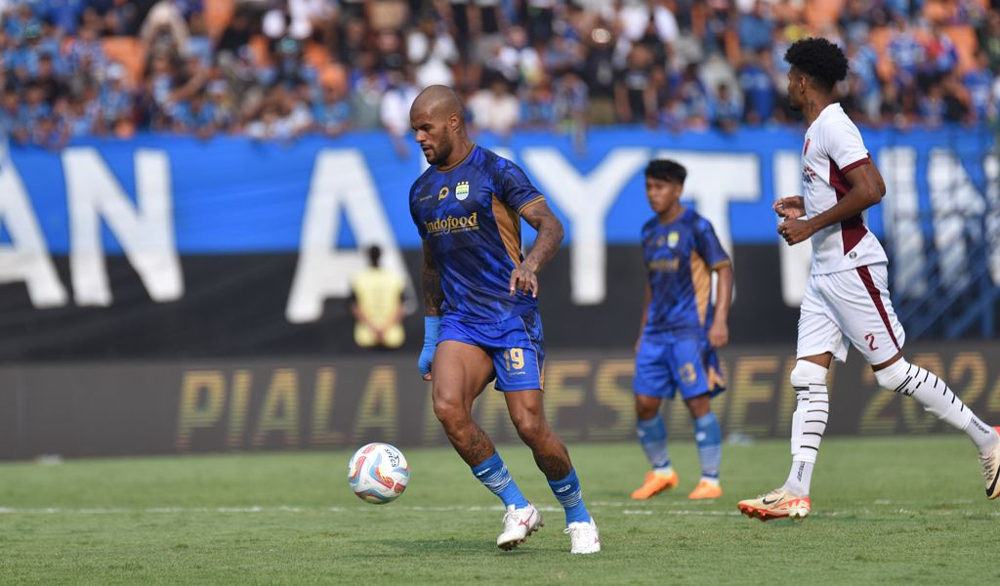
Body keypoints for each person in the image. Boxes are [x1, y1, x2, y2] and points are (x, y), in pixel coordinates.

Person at [737, 38, 1000, 521]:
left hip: (851, 265)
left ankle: (988, 437)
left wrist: (811, 224)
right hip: (825, 271)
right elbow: (842, 190)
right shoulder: (817, 127)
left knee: (894, 373)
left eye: (790, 76)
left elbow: (872, 189)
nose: (787, 85)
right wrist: (807, 205)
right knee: (807, 377)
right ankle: (796, 487)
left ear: (802, 80)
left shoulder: (835, 125)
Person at [408, 85, 600, 554]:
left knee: (530, 427)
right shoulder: (421, 192)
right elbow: (432, 266)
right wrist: (432, 335)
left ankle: (578, 516)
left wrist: (529, 265)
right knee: (449, 408)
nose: (419, 138)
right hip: (461, 322)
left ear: (453, 122)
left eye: (425, 128)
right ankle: (517, 505)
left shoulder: (497, 170)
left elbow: (551, 224)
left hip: (510, 316)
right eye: (414, 130)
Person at [630, 159, 733, 502]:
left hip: (690, 330)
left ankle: (710, 479)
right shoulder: (647, 230)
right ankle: (662, 472)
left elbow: (723, 268)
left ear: (678, 189)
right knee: (644, 403)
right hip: (655, 332)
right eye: (648, 187)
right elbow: (650, 285)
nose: (652, 194)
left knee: (696, 401)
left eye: (659, 187)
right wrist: (643, 329)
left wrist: (719, 321)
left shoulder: (697, 226)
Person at [348, 245, 405, 349]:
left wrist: (374, 329)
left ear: (368, 257)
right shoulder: (394, 278)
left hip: (366, 335)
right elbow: (400, 307)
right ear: (381, 256)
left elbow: (355, 307)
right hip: (391, 335)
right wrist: (385, 329)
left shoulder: (358, 278)